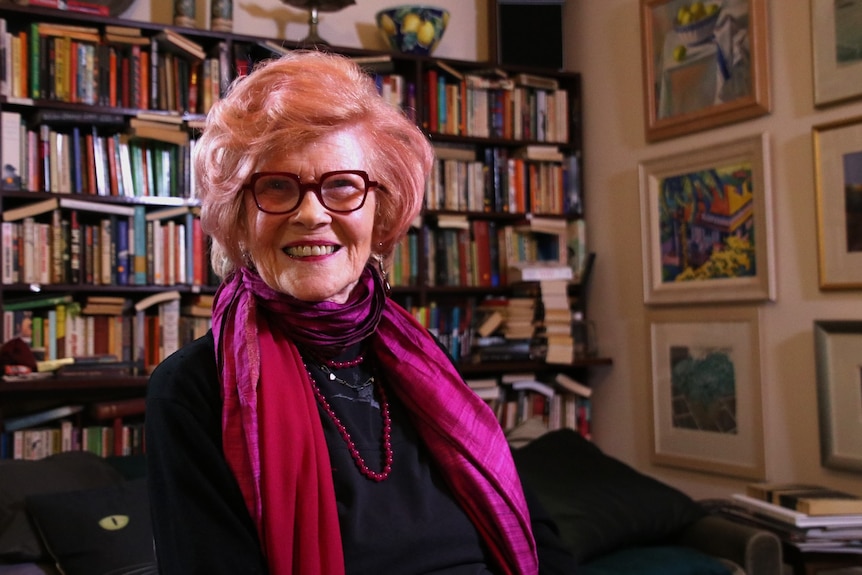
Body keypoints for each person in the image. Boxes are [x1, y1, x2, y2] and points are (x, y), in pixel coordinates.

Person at [145, 50, 575, 575]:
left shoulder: (425, 358)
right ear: (238, 217)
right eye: (276, 186)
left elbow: (535, 532)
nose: (311, 214)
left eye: (342, 186)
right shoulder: (192, 389)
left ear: (382, 209)